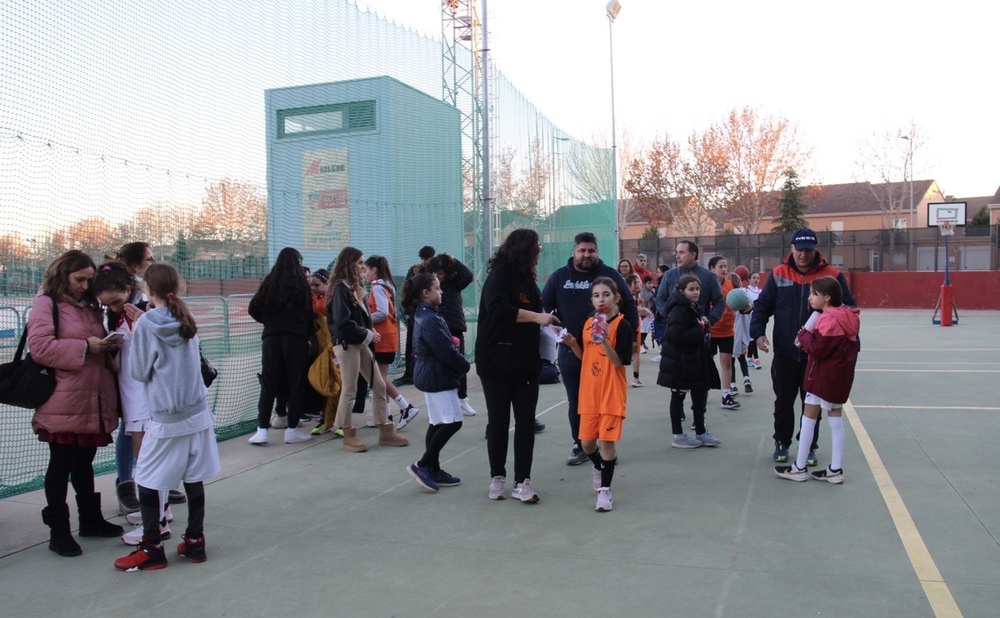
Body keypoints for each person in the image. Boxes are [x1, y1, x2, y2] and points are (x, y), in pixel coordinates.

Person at [113, 263, 222, 571]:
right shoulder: (186, 316)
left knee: (146, 480)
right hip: (197, 414)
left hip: (166, 417)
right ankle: (195, 541)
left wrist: (137, 331)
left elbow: (139, 371)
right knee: (193, 476)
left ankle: (151, 548)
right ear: (179, 286)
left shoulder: (147, 323)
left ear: (149, 290)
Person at [27, 250, 124, 557]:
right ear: (63, 275)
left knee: (84, 462)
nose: (85, 285)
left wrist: (109, 343)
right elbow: (40, 347)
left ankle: (91, 520)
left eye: (89, 280)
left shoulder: (92, 304)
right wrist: (85, 346)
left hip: (93, 396)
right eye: (79, 279)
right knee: (61, 463)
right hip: (64, 398)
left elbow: (94, 341)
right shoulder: (47, 303)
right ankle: (59, 532)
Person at [750, 228, 857, 464]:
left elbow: (848, 309)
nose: (804, 255)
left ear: (815, 249)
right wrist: (757, 333)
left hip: (817, 357)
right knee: (783, 401)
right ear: (791, 249)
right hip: (785, 352)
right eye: (800, 250)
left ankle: (808, 446)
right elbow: (763, 306)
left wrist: (845, 344)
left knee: (814, 404)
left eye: (809, 250)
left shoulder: (832, 275)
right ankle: (782, 441)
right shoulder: (779, 274)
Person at [93, 261, 173, 545]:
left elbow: (159, 353)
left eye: (116, 302)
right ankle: (159, 511)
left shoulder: (147, 314)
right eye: (107, 306)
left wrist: (137, 329)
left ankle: (157, 520)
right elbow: (123, 364)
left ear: (129, 290)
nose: (114, 308)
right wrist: (111, 348)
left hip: (147, 398)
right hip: (132, 397)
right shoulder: (118, 318)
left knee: (149, 460)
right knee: (148, 459)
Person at [542, 232, 638, 466]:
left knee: (605, 403)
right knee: (577, 401)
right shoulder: (559, 277)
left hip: (605, 354)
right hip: (571, 351)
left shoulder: (610, 275)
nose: (586, 255)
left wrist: (632, 339)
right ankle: (581, 445)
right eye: (582, 250)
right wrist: (552, 327)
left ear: (597, 251)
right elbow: (544, 306)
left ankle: (606, 447)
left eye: (591, 250)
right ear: (574, 251)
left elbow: (629, 305)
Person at [477, 229, 558, 502]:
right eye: (537, 246)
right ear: (525, 248)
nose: (539, 252)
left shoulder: (528, 278)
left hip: (525, 363)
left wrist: (548, 325)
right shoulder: (500, 274)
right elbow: (497, 309)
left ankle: (522, 481)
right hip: (496, 363)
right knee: (499, 422)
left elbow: (537, 315)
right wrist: (537, 317)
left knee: (525, 423)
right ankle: (496, 477)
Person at [775, 276, 860, 483]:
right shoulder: (847, 316)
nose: (810, 298)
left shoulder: (829, 319)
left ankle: (800, 467)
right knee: (832, 419)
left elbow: (819, 350)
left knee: (809, 419)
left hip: (822, 377)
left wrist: (804, 337)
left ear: (827, 297)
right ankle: (833, 469)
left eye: (814, 294)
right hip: (838, 377)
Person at [558, 277, 632, 512]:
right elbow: (586, 357)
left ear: (616, 298)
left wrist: (605, 340)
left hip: (611, 394)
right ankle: (599, 466)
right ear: (591, 299)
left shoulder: (622, 325)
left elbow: (618, 361)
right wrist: (572, 344)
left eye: (606, 294)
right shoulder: (588, 323)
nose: (602, 299)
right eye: (597, 295)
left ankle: (604, 492)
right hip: (589, 394)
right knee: (587, 444)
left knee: (606, 443)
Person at [328, 247, 408, 452]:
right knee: (349, 389)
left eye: (363, 262)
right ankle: (348, 433)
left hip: (358, 342)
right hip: (347, 344)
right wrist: (367, 333)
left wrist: (367, 332)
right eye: (359, 262)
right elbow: (342, 322)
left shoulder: (353, 287)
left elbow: (357, 318)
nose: (363, 266)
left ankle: (385, 430)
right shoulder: (340, 288)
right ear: (349, 263)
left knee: (379, 385)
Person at [403, 273, 470, 492]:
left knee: (438, 421)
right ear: (426, 293)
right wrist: (463, 366)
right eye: (438, 288)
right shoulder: (430, 318)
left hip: (432, 373)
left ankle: (433, 467)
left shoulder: (426, 314)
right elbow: (445, 350)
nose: (441, 292)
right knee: (452, 421)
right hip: (437, 375)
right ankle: (423, 464)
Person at [247, 247, 314, 445]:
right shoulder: (301, 284)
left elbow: (253, 308)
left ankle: (262, 430)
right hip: (296, 339)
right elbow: (308, 315)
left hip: (271, 338)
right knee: (296, 382)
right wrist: (305, 333)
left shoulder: (269, 282)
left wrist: (269, 323)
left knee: (269, 383)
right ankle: (291, 429)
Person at [657, 275, 722, 449]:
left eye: (697, 289)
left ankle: (701, 431)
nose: (695, 292)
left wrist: (703, 324)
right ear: (682, 291)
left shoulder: (691, 306)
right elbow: (676, 336)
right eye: (691, 289)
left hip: (694, 360)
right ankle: (677, 435)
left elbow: (693, 328)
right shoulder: (679, 309)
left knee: (700, 394)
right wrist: (699, 329)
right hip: (680, 362)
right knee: (678, 397)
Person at [362, 256, 419, 429]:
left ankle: (406, 407)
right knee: (381, 378)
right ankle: (385, 416)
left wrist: (363, 320)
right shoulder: (386, 286)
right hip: (388, 336)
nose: (364, 274)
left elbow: (382, 312)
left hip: (383, 338)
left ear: (374, 270)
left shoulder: (378, 287)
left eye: (365, 270)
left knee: (379, 379)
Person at [427, 252, 476, 416]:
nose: (437, 277)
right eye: (434, 273)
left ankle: (462, 398)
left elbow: (467, 275)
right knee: (439, 366)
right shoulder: (429, 288)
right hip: (437, 331)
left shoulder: (454, 283)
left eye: (440, 273)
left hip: (454, 328)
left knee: (459, 363)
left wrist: (453, 262)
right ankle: (444, 401)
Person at [707, 256, 740, 410]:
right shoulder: (707, 286)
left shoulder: (731, 285)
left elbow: (740, 304)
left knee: (727, 362)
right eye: (720, 266)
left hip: (727, 330)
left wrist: (746, 307)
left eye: (725, 266)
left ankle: (726, 396)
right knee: (707, 362)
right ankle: (703, 392)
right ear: (712, 269)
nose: (724, 269)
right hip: (711, 330)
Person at [400, 245, 436, 385]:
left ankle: (419, 372)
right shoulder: (415, 269)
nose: (424, 261)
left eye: (426, 258)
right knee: (411, 343)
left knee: (422, 345)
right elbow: (407, 287)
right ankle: (409, 372)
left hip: (427, 314)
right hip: (414, 312)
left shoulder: (435, 271)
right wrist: (414, 275)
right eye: (422, 258)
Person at [625, 273, 652, 387]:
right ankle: (635, 379)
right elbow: (632, 309)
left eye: (639, 282)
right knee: (635, 352)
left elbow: (634, 307)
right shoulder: (630, 296)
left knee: (630, 352)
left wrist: (644, 308)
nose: (639, 284)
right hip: (633, 326)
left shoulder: (631, 296)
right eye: (636, 282)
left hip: (629, 326)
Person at [729, 271, 753, 394]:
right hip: (743, 333)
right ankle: (746, 379)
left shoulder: (730, 296)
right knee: (742, 357)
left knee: (731, 360)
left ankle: (732, 384)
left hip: (731, 332)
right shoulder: (744, 295)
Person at [745, 270, 763, 369]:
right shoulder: (745, 291)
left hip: (757, 317)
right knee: (752, 338)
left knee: (753, 337)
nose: (756, 280)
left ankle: (748, 358)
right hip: (748, 317)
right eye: (754, 278)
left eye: (758, 278)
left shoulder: (761, 291)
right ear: (748, 279)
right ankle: (756, 359)